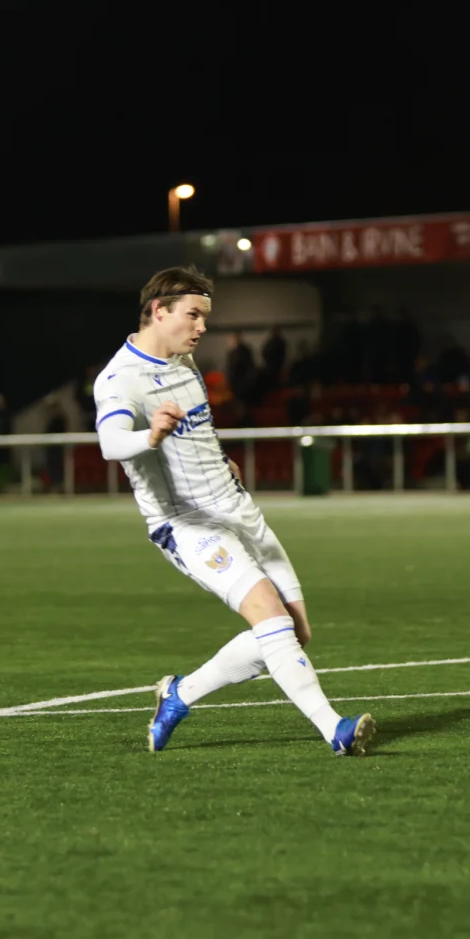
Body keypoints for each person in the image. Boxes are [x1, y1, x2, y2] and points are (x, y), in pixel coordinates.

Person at [94, 266, 375, 757]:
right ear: (158, 311)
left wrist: (218, 458)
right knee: (269, 615)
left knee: (294, 633)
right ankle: (336, 730)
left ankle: (180, 695)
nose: (202, 327)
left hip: (237, 508)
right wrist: (150, 436)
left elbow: (198, 430)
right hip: (187, 524)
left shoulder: (184, 361)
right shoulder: (120, 379)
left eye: (204, 316)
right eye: (193, 315)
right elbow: (110, 442)